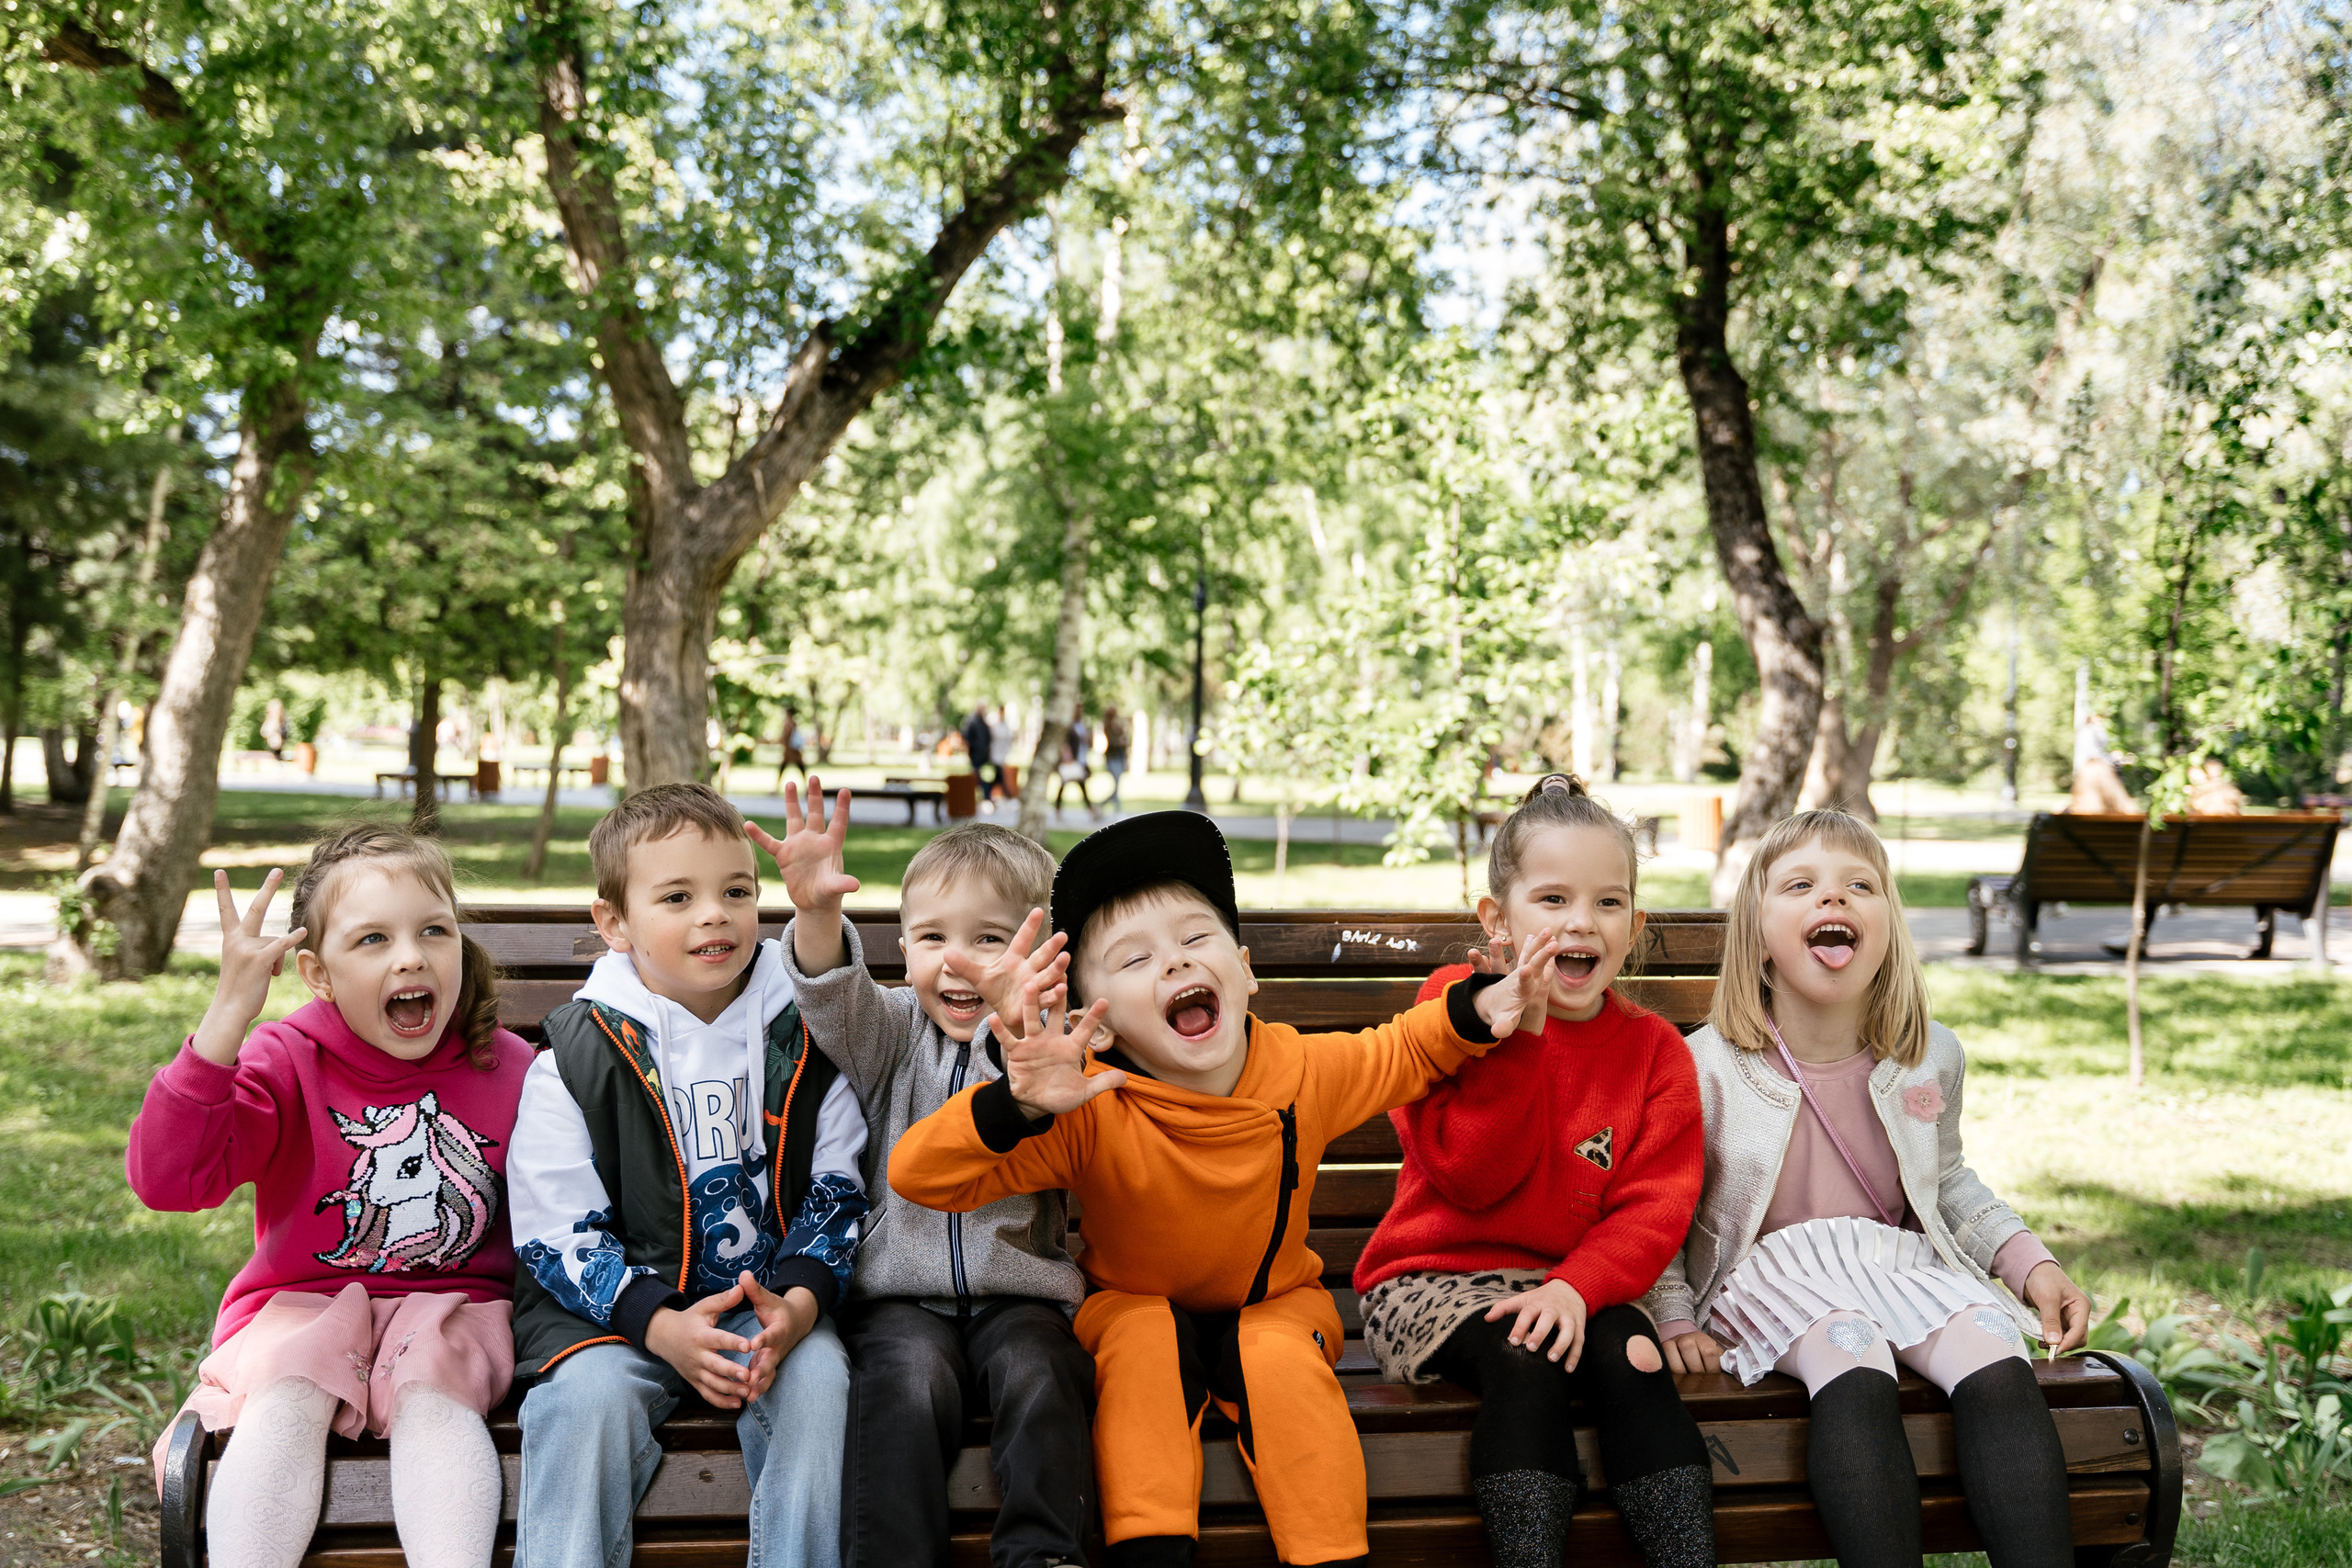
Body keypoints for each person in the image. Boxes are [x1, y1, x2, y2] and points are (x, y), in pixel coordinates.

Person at [889, 810, 1547, 1568]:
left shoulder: (1303, 1073)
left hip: (1270, 1303)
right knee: (1138, 1343)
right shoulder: (1093, 1104)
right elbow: (920, 1174)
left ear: (1244, 970)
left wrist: (1477, 1008)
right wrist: (1018, 1104)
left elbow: (1402, 1048)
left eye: (1195, 940)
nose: (1174, 964)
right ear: (1094, 1026)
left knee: (1278, 1357)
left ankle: (1331, 1557)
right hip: (1136, 1306)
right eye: (1134, 960)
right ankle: (1152, 1550)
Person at [1648, 809, 2095, 1568]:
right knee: (1850, 1355)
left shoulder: (1928, 1056)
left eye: (1861, 885)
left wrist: (2032, 1263)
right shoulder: (1705, 1069)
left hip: (1891, 1264)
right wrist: (1673, 1315)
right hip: (1768, 1276)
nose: (1835, 900)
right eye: (1802, 885)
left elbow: (1950, 1181)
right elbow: (1663, 1207)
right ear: (1757, 933)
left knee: (1997, 1354)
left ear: (1887, 927)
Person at [129, 828, 531, 1568]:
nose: (410, 955)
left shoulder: (507, 1066)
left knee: (432, 1397)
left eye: (432, 930)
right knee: (288, 1393)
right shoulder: (285, 1058)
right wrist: (226, 1020)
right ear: (318, 972)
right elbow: (168, 1180)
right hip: (302, 1305)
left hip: (455, 1306)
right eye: (373, 938)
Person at [508, 784, 869, 1568]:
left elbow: (836, 1190)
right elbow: (553, 1226)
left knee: (818, 1389)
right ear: (614, 924)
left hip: (766, 1308)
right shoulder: (577, 1057)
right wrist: (659, 1324)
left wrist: (800, 1308)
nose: (715, 913)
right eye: (678, 896)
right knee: (582, 1406)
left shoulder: (804, 1037)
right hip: (613, 1319)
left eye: (737, 891)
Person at [1355, 775, 1712, 1568]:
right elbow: (1469, 1177)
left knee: (1634, 1351)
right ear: (1498, 920)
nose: (1581, 921)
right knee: (1528, 1353)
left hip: (1572, 1280)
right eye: (1552, 899)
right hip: (1429, 1280)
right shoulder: (1452, 1007)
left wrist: (1575, 1288)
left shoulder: (1655, 1051)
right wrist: (1522, 1035)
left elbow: (1653, 1211)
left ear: (1635, 924)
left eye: (1608, 902)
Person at [758, 787, 1093, 1568]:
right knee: (902, 1382)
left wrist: (1018, 1023)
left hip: (1020, 1290)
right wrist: (812, 912)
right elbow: (832, 998)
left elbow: (1017, 1097)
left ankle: (1045, 1555)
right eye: (932, 936)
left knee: (1042, 1373)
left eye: (989, 938)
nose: (958, 959)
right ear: (903, 950)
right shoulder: (890, 1030)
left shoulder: (1038, 1048)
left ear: (1037, 954)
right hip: (900, 1295)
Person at [1054, 708, 1094, 818]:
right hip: (1072, 759)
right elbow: (1065, 741)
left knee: (1081, 785)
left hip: (1080, 759)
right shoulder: (1069, 726)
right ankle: (1058, 809)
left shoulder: (1081, 726)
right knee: (1065, 785)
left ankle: (1091, 809)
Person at [962, 706, 1001, 807]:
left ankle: (987, 797)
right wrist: (974, 747)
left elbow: (988, 737)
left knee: (987, 777)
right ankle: (972, 798)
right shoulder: (972, 722)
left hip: (984, 756)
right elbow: (967, 737)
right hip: (976, 755)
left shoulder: (984, 723)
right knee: (976, 778)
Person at [1102, 706, 1132, 815]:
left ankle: (1103, 804)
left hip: (1119, 757)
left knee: (1117, 785)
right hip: (1112, 757)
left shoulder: (1118, 725)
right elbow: (1114, 741)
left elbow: (1124, 740)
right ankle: (1117, 809)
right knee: (1116, 784)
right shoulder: (1108, 726)